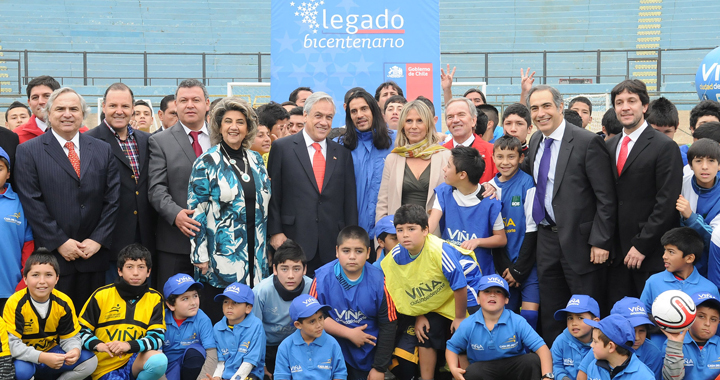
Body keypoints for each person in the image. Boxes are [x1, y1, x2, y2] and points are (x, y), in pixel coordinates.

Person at [522, 85, 616, 345]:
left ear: (560, 107)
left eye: (546, 106)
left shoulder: (586, 142)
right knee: (553, 313)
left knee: (587, 314)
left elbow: (606, 198)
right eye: (535, 108)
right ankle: (556, 365)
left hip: (581, 243)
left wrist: (600, 240)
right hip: (547, 239)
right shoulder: (535, 140)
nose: (541, 113)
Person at [15, 87, 120, 307]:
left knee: (91, 325)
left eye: (74, 109)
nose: (67, 114)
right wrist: (60, 242)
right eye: (60, 109)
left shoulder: (102, 149)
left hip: (94, 256)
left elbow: (112, 199)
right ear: (47, 114)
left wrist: (97, 240)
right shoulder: (28, 151)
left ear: (83, 114)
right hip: (52, 258)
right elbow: (32, 202)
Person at [188, 97, 271, 322]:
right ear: (219, 126)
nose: (234, 127)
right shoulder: (206, 161)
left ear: (248, 128)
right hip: (221, 256)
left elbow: (265, 208)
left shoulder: (256, 160)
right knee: (223, 318)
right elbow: (197, 212)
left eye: (240, 122)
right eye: (228, 121)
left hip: (256, 255)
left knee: (251, 319)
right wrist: (199, 255)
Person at [607, 79, 683, 306]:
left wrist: (641, 245)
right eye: (619, 102)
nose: (625, 107)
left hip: (649, 254)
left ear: (645, 106)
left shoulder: (664, 146)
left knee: (650, 322)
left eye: (632, 101)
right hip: (614, 256)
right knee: (618, 322)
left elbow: (666, 203)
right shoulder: (609, 146)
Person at [267, 91, 358, 276]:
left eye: (329, 117)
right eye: (318, 115)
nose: (324, 122)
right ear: (306, 115)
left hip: (332, 245)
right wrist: (275, 232)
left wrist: (350, 241)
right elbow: (273, 195)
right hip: (292, 241)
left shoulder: (342, 154)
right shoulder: (282, 148)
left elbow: (349, 201)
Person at [381, 204, 473, 380]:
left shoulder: (439, 250)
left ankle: (467, 376)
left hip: (465, 289)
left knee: (463, 331)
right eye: (400, 230)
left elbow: (460, 284)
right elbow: (400, 292)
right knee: (425, 331)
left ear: (425, 230)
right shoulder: (393, 258)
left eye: (411, 229)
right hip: (435, 298)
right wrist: (418, 315)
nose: (405, 234)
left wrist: (460, 317)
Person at [86, 83, 155, 284]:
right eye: (113, 105)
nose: (119, 111)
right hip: (109, 241)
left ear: (132, 108)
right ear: (103, 107)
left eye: (125, 106)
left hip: (145, 237)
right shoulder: (89, 141)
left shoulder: (147, 140)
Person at [310, 226, 397, 380]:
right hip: (328, 355)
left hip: (367, 356)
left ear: (368, 253)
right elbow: (311, 319)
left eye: (358, 251)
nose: (352, 256)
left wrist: (379, 368)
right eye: (346, 251)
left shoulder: (379, 280)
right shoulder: (322, 278)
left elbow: (388, 325)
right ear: (337, 251)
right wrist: (349, 333)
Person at [148, 79, 211, 289]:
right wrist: (176, 215)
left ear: (207, 104)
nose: (190, 105)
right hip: (176, 242)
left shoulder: (222, 138)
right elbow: (156, 188)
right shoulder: (160, 141)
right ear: (176, 104)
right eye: (183, 100)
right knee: (175, 305)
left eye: (196, 100)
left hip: (218, 242)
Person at [78, 244, 168, 380]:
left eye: (141, 267)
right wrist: (99, 345)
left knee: (159, 362)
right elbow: (80, 332)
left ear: (149, 272)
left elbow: (157, 338)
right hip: (105, 367)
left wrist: (127, 345)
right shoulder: (101, 295)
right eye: (130, 267)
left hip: (135, 362)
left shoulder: (155, 298)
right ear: (120, 270)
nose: (136, 272)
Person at [4, 250, 98, 380]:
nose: (42, 281)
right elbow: (12, 345)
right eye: (35, 275)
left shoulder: (64, 302)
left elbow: (69, 337)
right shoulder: (15, 303)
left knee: (90, 361)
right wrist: (41, 357)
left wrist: (74, 350)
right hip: (26, 359)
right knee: (21, 371)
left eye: (48, 275)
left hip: (53, 353)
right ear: (25, 279)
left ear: (57, 279)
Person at [445, 274, 553, 380]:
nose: (492, 295)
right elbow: (452, 347)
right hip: (483, 370)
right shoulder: (468, 324)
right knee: (472, 372)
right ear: (477, 299)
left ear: (506, 300)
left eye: (498, 291)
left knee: (532, 360)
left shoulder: (517, 321)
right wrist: (453, 368)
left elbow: (542, 349)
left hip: (514, 369)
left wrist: (547, 377)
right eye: (487, 291)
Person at [429, 145, 506, 277]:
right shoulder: (444, 192)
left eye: (448, 166)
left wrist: (478, 241)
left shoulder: (490, 201)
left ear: (462, 175)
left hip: (479, 272)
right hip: (450, 269)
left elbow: (501, 239)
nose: (444, 169)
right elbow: (430, 226)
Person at [489, 135, 540, 328]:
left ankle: (531, 357)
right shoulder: (489, 188)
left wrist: (519, 270)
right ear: (493, 158)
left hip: (527, 265)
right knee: (506, 317)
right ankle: (512, 356)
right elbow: (494, 234)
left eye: (511, 157)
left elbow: (532, 228)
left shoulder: (528, 184)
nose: (505, 162)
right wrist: (507, 268)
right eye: (500, 156)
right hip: (503, 266)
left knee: (530, 316)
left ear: (520, 158)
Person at [375, 100, 450, 231]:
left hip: (435, 237)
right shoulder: (392, 159)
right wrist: (382, 240)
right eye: (409, 121)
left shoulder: (445, 156)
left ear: (428, 124)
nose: (413, 126)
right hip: (398, 237)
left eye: (419, 121)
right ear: (402, 125)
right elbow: (383, 204)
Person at [338, 91, 394, 240]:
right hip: (353, 233)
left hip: (389, 231)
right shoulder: (341, 145)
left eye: (364, 109)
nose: (359, 115)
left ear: (374, 110)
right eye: (354, 111)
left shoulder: (396, 141)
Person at [252, 239, 312, 378]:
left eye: (296, 269)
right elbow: (255, 331)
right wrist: (261, 365)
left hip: (298, 346)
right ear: (274, 269)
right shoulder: (261, 291)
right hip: (267, 348)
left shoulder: (312, 287)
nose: (290, 275)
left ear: (304, 269)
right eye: (284, 269)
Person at [640, 227, 720, 312]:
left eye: (671, 252)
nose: (664, 256)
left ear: (689, 258)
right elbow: (643, 316)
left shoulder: (709, 289)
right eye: (665, 251)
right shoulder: (653, 282)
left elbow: (714, 322)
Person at [273, 294, 347, 380]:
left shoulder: (332, 343)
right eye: (312, 321)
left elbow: (340, 374)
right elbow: (281, 376)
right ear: (298, 325)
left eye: (320, 318)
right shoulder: (285, 346)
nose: (319, 325)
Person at [677, 138, 720, 279]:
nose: (705, 167)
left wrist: (691, 217)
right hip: (681, 264)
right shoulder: (681, 185)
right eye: (698, 161)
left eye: (711, 161)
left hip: (713, 267)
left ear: (719, 165)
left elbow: (714, 239)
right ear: (689, 164)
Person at [162, 273, 217, 380]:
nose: (193, 303)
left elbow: (212, 353)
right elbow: (155, 355)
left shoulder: (202, 319)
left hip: (192, 368)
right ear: (171, 305)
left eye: (195, 296)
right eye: (185, 298)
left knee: (195, 352)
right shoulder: (161, 319)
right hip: (167, 368)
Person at [210, 283, 265, 380]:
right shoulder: (217, 327)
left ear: (248, 308)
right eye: (226, 302)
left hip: (249, 374)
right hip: (225, 375)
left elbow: (250, 362)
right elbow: (220, 360)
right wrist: (217, 377)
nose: (229, 306)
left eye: (235, 302)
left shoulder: (256, 325)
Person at [662, 291, 720, 380]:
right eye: (701, 316)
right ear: (689, 317)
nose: (707, 323)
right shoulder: (674, 342)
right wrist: (675, 346)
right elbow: (672, 378)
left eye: (713, 319)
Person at [0, 147, 33, 305]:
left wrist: (24, 281)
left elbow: (29, 247)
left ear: (8, 173)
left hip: (11, 290)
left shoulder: (21, 202)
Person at [15, 76, 89, 144]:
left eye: (47, 96)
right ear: (29, 103)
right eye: (35, 97)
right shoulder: (17, 136)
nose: (41, 101)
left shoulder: (84, 133)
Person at [442, 98, 498, 184]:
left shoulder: (492, 152)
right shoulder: (440, 152)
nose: (455, 120)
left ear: (473, 120)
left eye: (461, 115)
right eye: (450, 117)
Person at [583, 315, 655, 380]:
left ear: (611, 346)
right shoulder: (594, 366)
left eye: (595, 341)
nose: (591, 345)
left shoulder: (644, 376)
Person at [608, 297, 663, 378]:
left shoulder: (652, 352)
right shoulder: (603, 344)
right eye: (631, 330)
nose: (637, 337)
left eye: (642, 331)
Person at [551, 295, 600, 380]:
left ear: (595, 322)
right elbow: (555, 365)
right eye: (570, 318)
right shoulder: (561, 340)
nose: (574, 323)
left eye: (580, 318)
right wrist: (563, 377)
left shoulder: (602, 344)